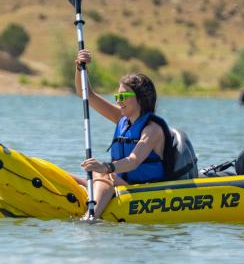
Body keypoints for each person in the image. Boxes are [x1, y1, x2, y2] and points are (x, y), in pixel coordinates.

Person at [73, 49, 172, 220]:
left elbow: (133, 161)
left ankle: (91, 217)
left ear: (141, 98)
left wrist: (106, 167)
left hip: (144, 190)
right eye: (117, 96)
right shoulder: (122, 118)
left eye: (124, 96)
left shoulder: (152, 129)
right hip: (120, 182)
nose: (118, 101)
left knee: (101, 174)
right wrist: (80, 68)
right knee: (72, 177)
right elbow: (86, 94)